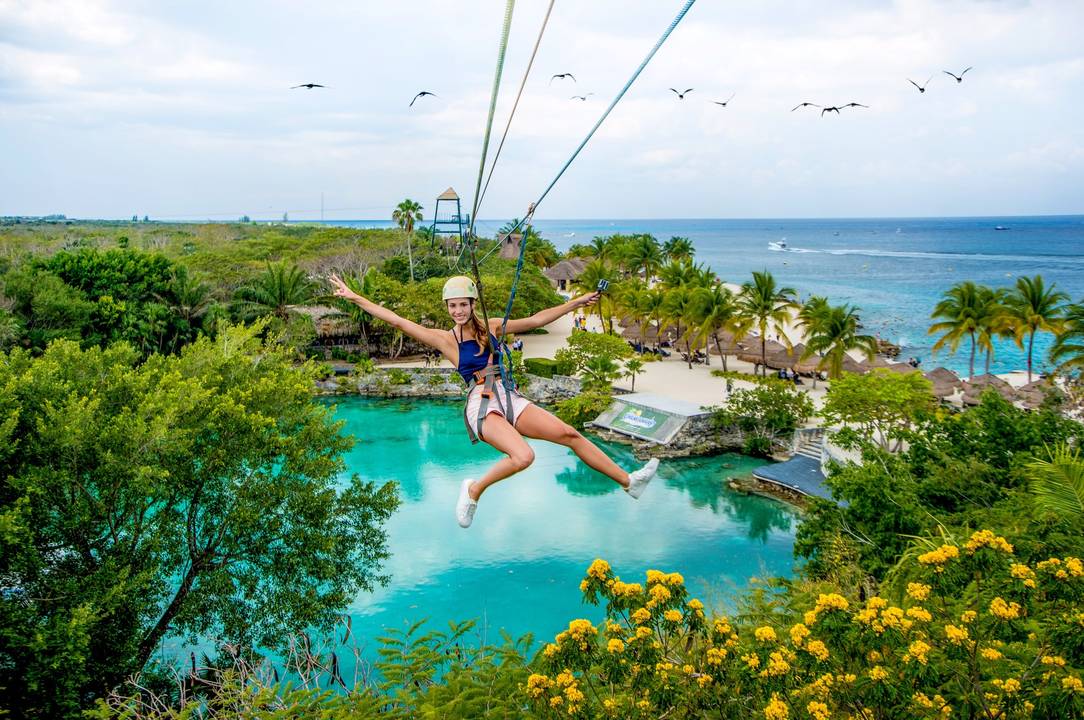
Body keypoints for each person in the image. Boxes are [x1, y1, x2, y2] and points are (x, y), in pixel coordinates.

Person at [328, 274, 659, 528]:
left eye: (462, 304)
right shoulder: (445, 340)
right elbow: (397, 320)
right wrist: (356, 297)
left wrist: (576, 303)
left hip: (510, 397)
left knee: (570, 435)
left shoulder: (493, 327)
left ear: (472, 304)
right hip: (482, 402)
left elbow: (536, 320)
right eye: (452, 305)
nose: (457, 311)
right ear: (447, 308)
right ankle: (473, 490)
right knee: (524, 455)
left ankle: (629, 482)